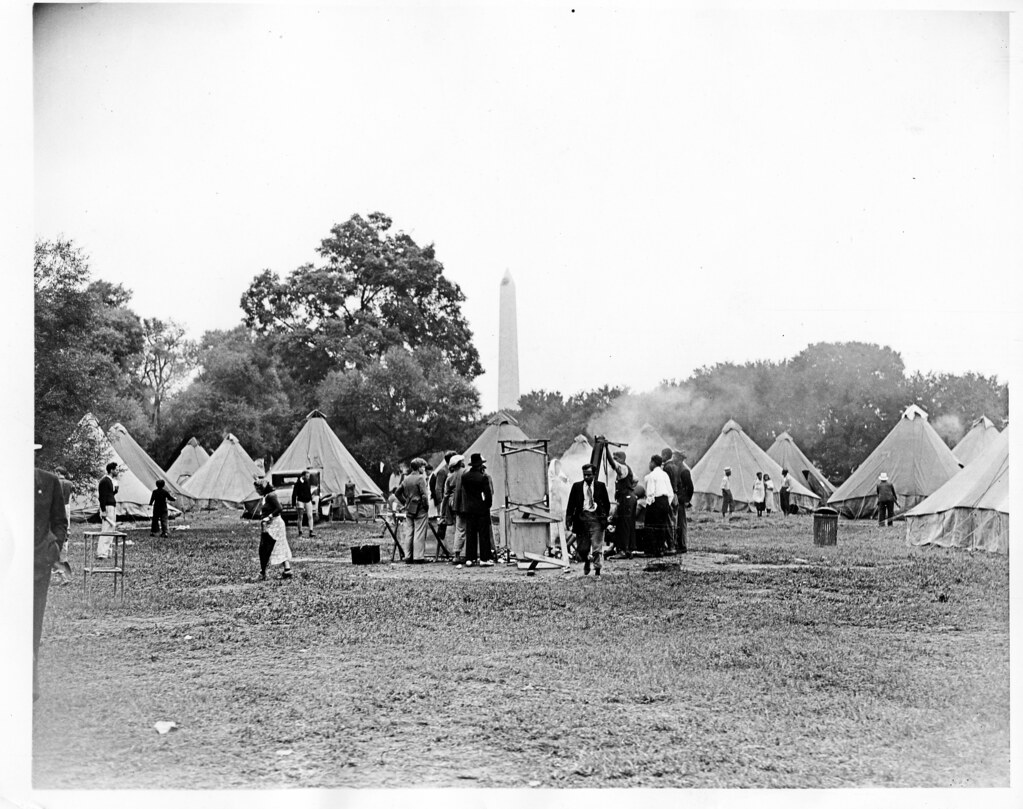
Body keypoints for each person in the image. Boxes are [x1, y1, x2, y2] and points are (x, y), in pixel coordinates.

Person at [35, 454, 70, 701]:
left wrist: (53, 546)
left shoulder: (48, 482)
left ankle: (30, 680)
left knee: (33, 622)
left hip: (38, 565)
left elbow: (60, 521)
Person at [565, 463, 611, 576]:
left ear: (594, 474)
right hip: (581, 520)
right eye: (584, 475)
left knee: (597, 547)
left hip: (596, 520)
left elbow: (607, 503)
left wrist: (603, 516)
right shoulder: (577, 487)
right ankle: (586, 561)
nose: (586, 477)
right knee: (582, 549)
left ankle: (597, 571)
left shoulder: (600, 486)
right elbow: (571, 504)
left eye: (589, 475)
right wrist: (569, 518)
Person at [459, 453, 495, 567]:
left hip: (469, 508)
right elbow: (487, 495)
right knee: (483, 534)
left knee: (471, 533)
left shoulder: (465, 477)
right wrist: (487, 505)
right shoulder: (482, 478)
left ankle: (470, 558)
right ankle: (484, 558)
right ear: (480, 465)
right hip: (481, 508)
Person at [257, 478, 293, 580]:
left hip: (275, 524)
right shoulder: (266, 496)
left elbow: (279, 508)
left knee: (267, 547)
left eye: (258, 489)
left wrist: (269, 516)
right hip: (270, 524)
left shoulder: (271, 496)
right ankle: (287, 569)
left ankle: (263, 572)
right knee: (276, 545)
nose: (257, 491)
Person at [605, 447, 637, 559]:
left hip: (626, 498)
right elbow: (635, 480)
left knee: (624, 524)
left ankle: (623, 551)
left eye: (616, 458)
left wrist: (606, 448)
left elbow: (613, 464)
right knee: (626, 523)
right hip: (628, 497)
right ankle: (626, 549)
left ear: (622, 459)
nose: (614, 460)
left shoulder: (622, 467)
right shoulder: (627, 469)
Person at [642, 455, 674, 557]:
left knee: (651, 525)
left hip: (655, 502)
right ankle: (661, 549)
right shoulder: (665, 475)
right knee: (662, 526)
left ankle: (652, 550)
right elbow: (670, 492)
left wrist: (649, 505)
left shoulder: (652, 475)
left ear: (653, 462)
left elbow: (650, 492)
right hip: (664, 502)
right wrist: (666, 503)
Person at [400, 458, 430, 563]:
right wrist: (426, 507)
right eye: (423, 466)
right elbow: (424, 495)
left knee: (409, 532)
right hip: (420, 508)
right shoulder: (421, 478)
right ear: (419, 467)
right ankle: (418, 557)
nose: (424, 468)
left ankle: (408, 556)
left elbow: (397, 493)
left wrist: (405, 501)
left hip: (409, 508)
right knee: (419, 532)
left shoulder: (406, 479)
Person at [443, 455, 466, 565]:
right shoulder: (465, 472)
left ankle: (456, 554)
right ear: (460, 463)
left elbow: (446, 495)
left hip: (454, 505)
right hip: (466, 504)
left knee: (459, 529)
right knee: (466, 529)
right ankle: (467, 553)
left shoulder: (450, 477)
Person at [52, 466, 73, 584]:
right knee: (66, 531)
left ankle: (60, 569)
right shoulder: (69, 484)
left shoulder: (55, 482)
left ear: (58, 473)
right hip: (67, 506)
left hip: (58, 507)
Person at [431, 451, 455, 544]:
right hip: (444, 503)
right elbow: (438, 489)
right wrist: (442, 505)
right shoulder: (443, 471)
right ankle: (443, 548)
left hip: (450, 502)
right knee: (443, 526)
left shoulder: (450, 470)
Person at [96, 461, 119, 559]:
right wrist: (103, 510)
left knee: (111, 529)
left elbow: (109, 494)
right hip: (108, 507)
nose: (117, 471)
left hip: (111, 505)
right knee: (106, 529)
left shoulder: (110, 481)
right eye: (116, 469)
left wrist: (115, 491)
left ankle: (106, 551)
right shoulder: (105, 481)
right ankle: (101, 553)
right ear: (111, 470)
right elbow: (102, 497)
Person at [660, 448, 681, 553]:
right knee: (674, 521)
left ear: (665, 455)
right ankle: (674, 545)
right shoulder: (676, 467)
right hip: (675, 496)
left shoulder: (666, 468)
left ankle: (671, 546)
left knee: (668, 522)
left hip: (669, 495)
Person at [677, 451, 694, 553]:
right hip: (678, 498)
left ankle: (682, 545)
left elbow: (690, 487)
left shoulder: (684, 471)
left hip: (681, 499)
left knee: (681, 523)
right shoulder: (678, 469)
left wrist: (687, 499)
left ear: (680, 459)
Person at [292, 470, 315, 538]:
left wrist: (311, 499)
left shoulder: (308, 482)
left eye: (309, 476)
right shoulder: (298, 483)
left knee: (310, 516)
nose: (308, 477)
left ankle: (311, 531)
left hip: (307, 500)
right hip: (300, 501)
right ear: (303, 476)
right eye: (307, 476)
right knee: (300, 516)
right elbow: (294, 494)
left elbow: (309, 492)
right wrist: (293, 504)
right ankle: (300, 532)